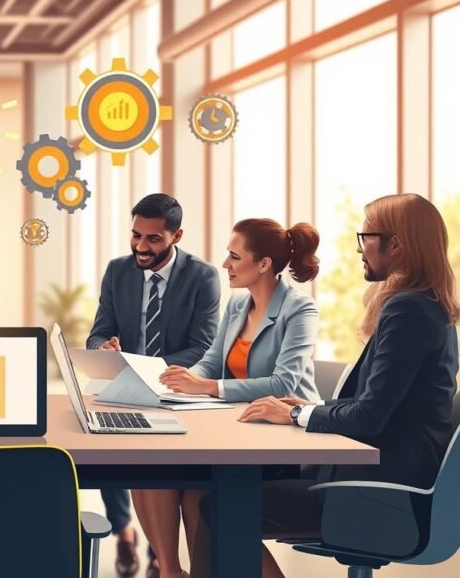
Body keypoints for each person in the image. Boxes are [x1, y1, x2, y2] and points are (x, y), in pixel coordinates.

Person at [196, 193, 459, 578]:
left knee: (219, 506)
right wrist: (301, 408)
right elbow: (379, 406)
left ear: (396, 245)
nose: (359, 249)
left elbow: (368, 417)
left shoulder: (409, 311)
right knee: (222, 495)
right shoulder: (426, 307)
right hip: (383, 482)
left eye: (365, 236)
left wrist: (298, 413)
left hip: (378, 493)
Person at [133, 218, 322, 578]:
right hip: (238, 429)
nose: (226, 265)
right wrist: (180, 380)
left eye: (235, 256)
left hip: (284, 437)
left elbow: (284, 382)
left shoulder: (299, 310)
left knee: (195, 494)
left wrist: (208, 387)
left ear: (264, 264)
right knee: (146, 470)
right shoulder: (238, 304)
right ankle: (172, 571)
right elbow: (212, 361)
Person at [87, 193, 221, 577]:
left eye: (153, 239)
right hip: (128, 389)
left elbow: (204, 346)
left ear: (176, 236)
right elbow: (99, 332)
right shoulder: (118, 271)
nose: (141, 247)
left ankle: (169, 563)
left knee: (165, 473)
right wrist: (105, 347)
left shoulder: (203, 276)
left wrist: (147, 368)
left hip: (177, 391)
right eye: (135, 236)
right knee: (126, 460)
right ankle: (164, 561)